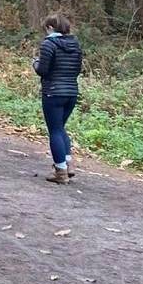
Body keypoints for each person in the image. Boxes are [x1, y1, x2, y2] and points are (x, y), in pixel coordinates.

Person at [33, 13, 82, 184]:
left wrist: (35, 64)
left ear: (50, 27)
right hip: (71, 92)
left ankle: (60, 171)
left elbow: (43, 70)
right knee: (60, 128)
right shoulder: (75, 44)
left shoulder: (49, 44)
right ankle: (68, 164)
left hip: (53, 92)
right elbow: (77, 69)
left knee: (54, 130)